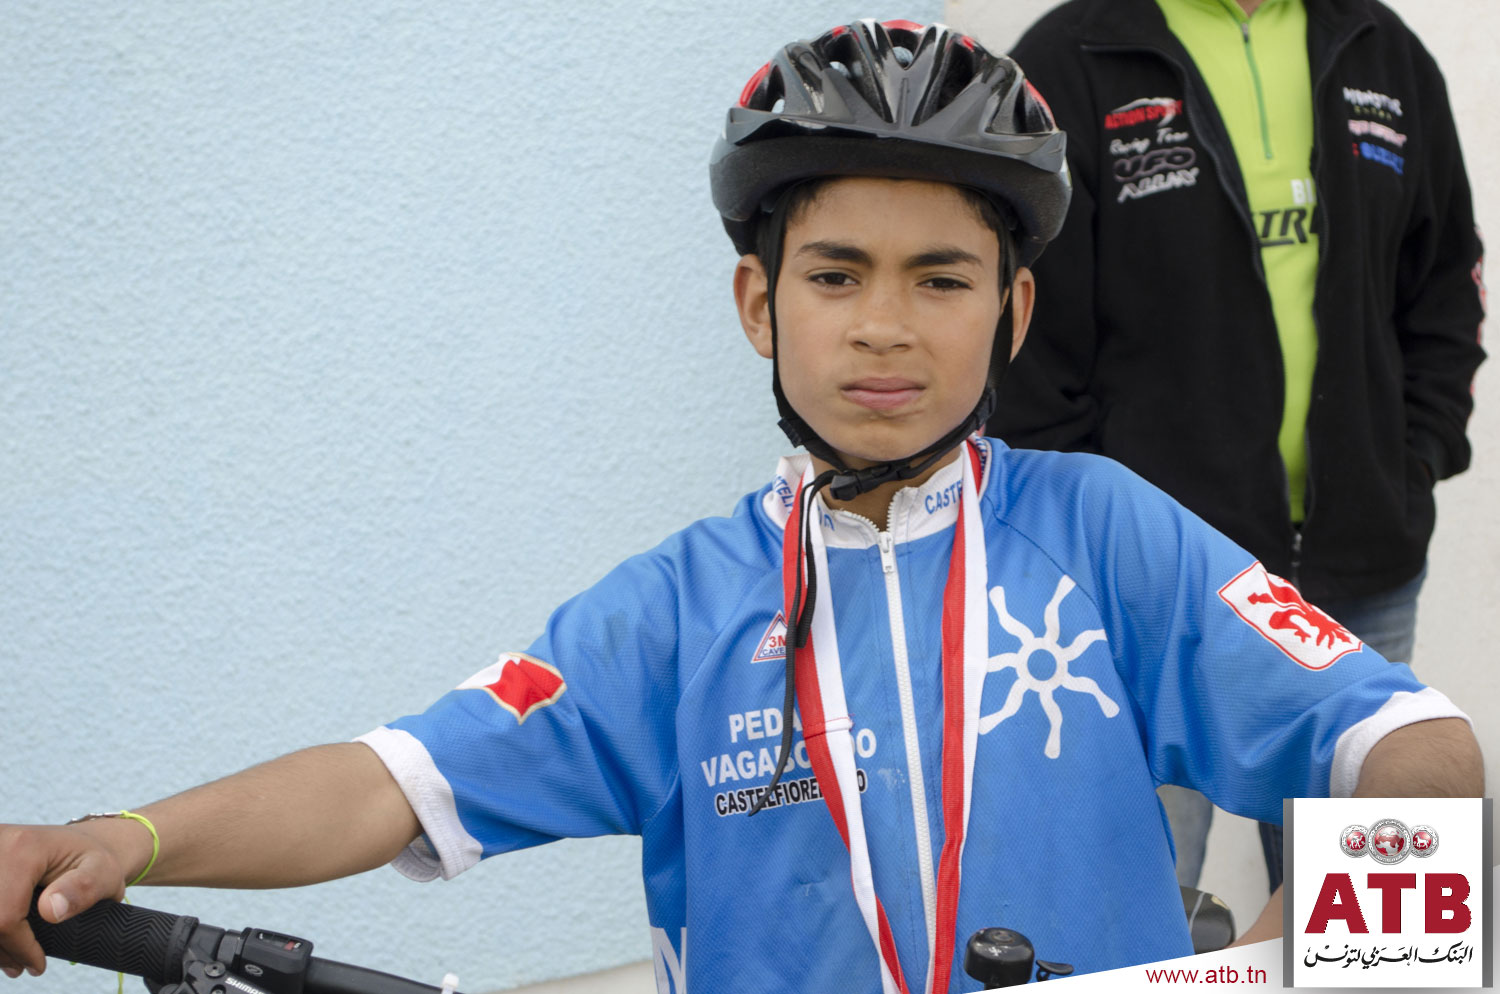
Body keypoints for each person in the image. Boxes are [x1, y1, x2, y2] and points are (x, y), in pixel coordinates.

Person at [0, 19, 1483, 993]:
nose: (885, 326)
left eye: (942, 278)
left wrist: (1315, 958)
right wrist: (123, 836)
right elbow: (391, 781)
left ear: (1016, 312)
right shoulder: (680, 607)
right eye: (836, 275)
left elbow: (1416, 748)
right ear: (759, 306)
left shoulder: (1106, 533)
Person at [988, 0, 1487, 892]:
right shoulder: (1073, 56)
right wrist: (1092, 533)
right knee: (1142, 906)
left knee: (1372, 909)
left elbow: (1445, 285)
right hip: (1153, 590)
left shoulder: (1382, 50)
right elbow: (1027, 344)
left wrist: (1413, 459)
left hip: (1360, 569)